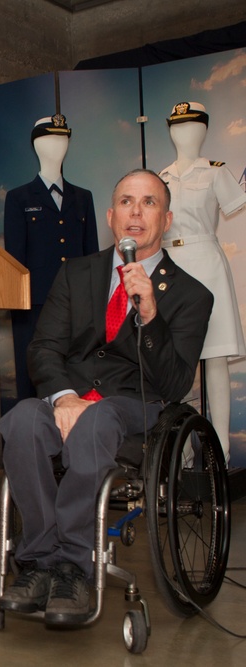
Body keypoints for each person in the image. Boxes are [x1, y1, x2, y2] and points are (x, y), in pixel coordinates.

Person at [0, 169, 213, 625]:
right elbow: (45, 348)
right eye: (127, 202)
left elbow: (175, 384)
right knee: (21, 420)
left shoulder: (193, 295)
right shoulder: (76, 274)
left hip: (136, 407)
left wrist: (150, 316)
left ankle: (76, 565)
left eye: (149, 203)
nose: (136, 212)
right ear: (111, 217)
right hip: (72, 397)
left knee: (99, 421)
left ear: (167, 218)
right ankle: (38, 561)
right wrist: (64, 397)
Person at [159, 101, 246, 464]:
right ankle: (177, 457)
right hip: (169, 267)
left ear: (204, 129)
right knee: (169, 358)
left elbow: (231, 206)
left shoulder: (215, 171)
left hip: (206, 264)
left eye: (190, 126)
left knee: (214, 359)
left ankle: (219, 454)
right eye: (176, 126)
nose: (183, 133)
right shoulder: (159, 178)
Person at [4, 115, 99, 399]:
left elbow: (91, 254)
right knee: (32, 374)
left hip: (76, 304)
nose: (58, 145)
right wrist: (20, 303)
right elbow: (15, 260)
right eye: (50, 139)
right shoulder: (19, 198)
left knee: (77, 374)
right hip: (33, 304)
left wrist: (91, 301)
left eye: (63, 138)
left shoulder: (83, 197)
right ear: (36, 145)